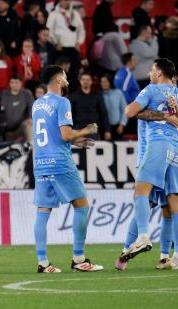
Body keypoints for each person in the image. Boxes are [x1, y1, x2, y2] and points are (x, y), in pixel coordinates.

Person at [120, 59, 178, 267]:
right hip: (177, 151)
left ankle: (142, 236)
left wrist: (161, 114)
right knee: (175, 206)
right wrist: (175, 111)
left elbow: (129, 112)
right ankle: (177, 258)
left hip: (157, 146)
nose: (150, 73)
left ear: (159, 73)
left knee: (140, 193)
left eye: (152, 70)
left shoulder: (151, 89)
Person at [32, 65, 104, 273]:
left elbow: (51, 136)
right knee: (82, 206)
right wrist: (86, 130)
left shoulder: (37, 104)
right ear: (58, 80)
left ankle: (43, 262)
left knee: (42, 212)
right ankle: (79, 259)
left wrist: (75, 141)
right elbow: (64, 134)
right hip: (60, 163)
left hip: (41, 163)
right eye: (64, 76)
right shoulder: (62, 102)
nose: (67, 79)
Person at [47, 0, 85, 93]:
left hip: (73, 48)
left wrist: (78, 42)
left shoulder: (75, 14)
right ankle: (58, 93)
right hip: (59, 48)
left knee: (73, 73)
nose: (66, 2)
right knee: (58, 73)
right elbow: (49, 30)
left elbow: (81, 30)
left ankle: (72, 95)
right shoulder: (53, 14)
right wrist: (55, 42)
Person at [69, 72, 112, 140]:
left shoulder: (98, 96)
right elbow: (70, 115)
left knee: (95, 149)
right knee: (78, 151)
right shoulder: (73, 97)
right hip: (78, 130)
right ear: (80, 81)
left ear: (91, 81)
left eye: (88, 80)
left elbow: (104, 113)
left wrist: (107, 130)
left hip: (93, 130)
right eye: (83, 79)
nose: (85, 81)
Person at [1, 76, 34, 142]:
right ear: (9, 84)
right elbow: (0, 109)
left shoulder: (26, 93)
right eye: (12, 82)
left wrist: (30, 117)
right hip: (6, 128)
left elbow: (32, 106)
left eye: (16, 82)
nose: (14, 85)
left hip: (20, 126)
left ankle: (32, 148)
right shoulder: (4, 94)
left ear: (21, 83)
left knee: (29, 124)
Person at [129, 25, 158, 89]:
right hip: (143, 78)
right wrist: (153, 40)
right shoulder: (138, 44)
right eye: (149, 32)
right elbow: (153, 53)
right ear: (144, 32)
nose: (151, 34)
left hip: (144, 77)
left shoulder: (140, 44)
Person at [100, 74, 128, 140]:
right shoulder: (99, 95)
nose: (104, 83)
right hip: (104, 128)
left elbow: (125, 109)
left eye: (106, 81)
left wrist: (122, 124)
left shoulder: (118, 93)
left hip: (117, 126)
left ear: (110, 82)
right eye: (102, 82)